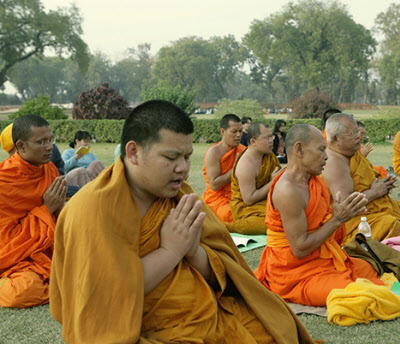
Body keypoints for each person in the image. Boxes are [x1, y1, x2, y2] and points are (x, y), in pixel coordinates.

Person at [49, 100, 317, 343]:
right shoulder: (91, 210)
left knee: (278, 328)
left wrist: (192, 252)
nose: (183, 168)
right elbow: (104, 299)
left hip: (209, 314)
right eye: (170, 157)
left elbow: (223, 272)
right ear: (133, 152)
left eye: (187, 157)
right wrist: (170, 252)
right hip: (141, 330)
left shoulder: (181, 196)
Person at [255, 124, 383, 307]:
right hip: (293, 273)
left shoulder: (315, 181)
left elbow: (321, 225)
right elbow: (300, 249)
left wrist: (339, 214)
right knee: (359, 296)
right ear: (299, 149)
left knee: (371, 270)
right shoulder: (288, 190)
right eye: (321, 150)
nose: (326, 157)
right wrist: (337, 219)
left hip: (319, 261)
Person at [322, 114, 400, 247]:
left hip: (372, 209)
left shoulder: (352, 154)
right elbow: (346, 207)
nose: (358, 136)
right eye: (353, 133)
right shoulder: (334, 163)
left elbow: (367, 179)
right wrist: (374, 192)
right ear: (336, 139)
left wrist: (384, 184)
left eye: (358, 131)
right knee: (391, 224)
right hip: (351, 222)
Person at [0, 115, 67, 308]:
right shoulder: (4, 180)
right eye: (42, 142)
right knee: (23, 291)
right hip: (14, 258)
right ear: (20, 146)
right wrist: (46, 209)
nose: (49, 147)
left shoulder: (50, 169)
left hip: (47, 250)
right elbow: (6, 239)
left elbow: (59, 221)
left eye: (51, 140)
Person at [227, 122, 281, 234]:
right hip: (245, 208)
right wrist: (272, 182)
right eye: (267, 138)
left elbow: (280, 177)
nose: (271, 141)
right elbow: (249, 199)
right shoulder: (245, 164)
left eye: (272, 137)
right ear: (253, 141)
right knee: (274, 221)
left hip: (265, 201)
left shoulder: (268, 155)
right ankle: (230, 227)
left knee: (290, 210)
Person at [2, 124, 79, 197]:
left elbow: (60, 167)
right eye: (12, 154)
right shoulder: (6, 175)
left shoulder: (46, 155)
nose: (16, 156)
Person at [202, 114, 246, 224]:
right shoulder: (214, 153)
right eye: (234, 131)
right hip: (217, 199)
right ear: (223, 132)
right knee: (235, 216)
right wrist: (235, 169)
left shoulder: (243, 150)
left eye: (240, 131)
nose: (239, 135)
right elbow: (214, 185)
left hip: (240, 197)